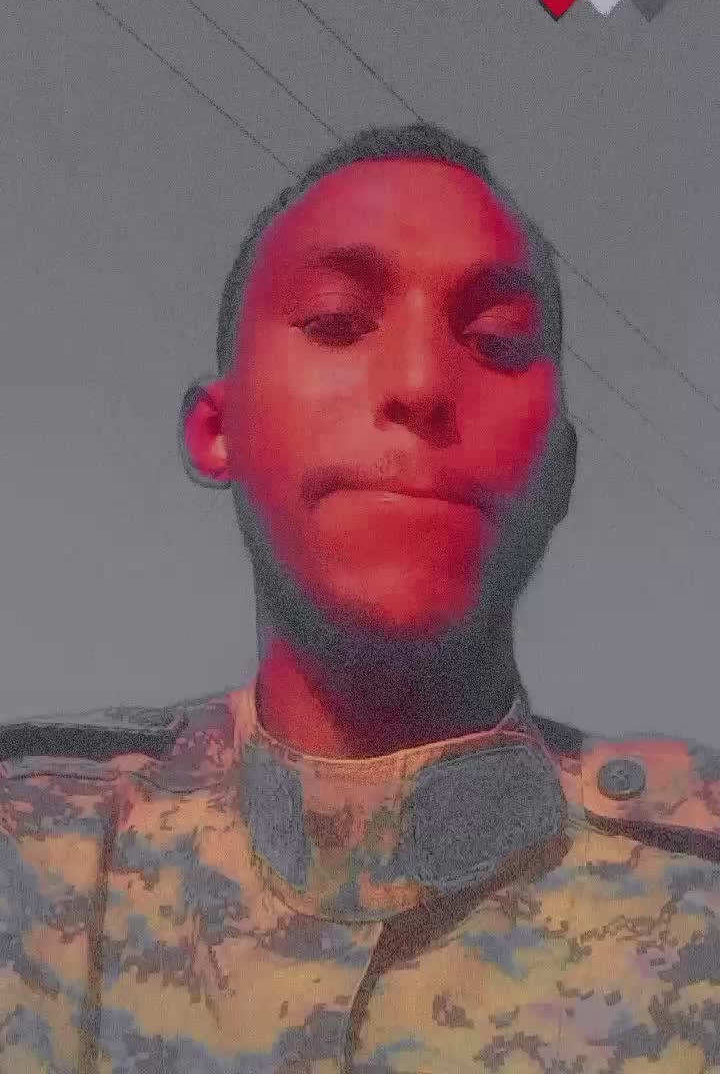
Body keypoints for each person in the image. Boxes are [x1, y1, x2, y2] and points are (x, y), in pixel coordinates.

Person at [2, 122, 720, 1074]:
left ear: (562, 468)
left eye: (498, 342)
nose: (421, 384)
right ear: (218, 429)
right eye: (338, 322)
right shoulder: (33, 856)